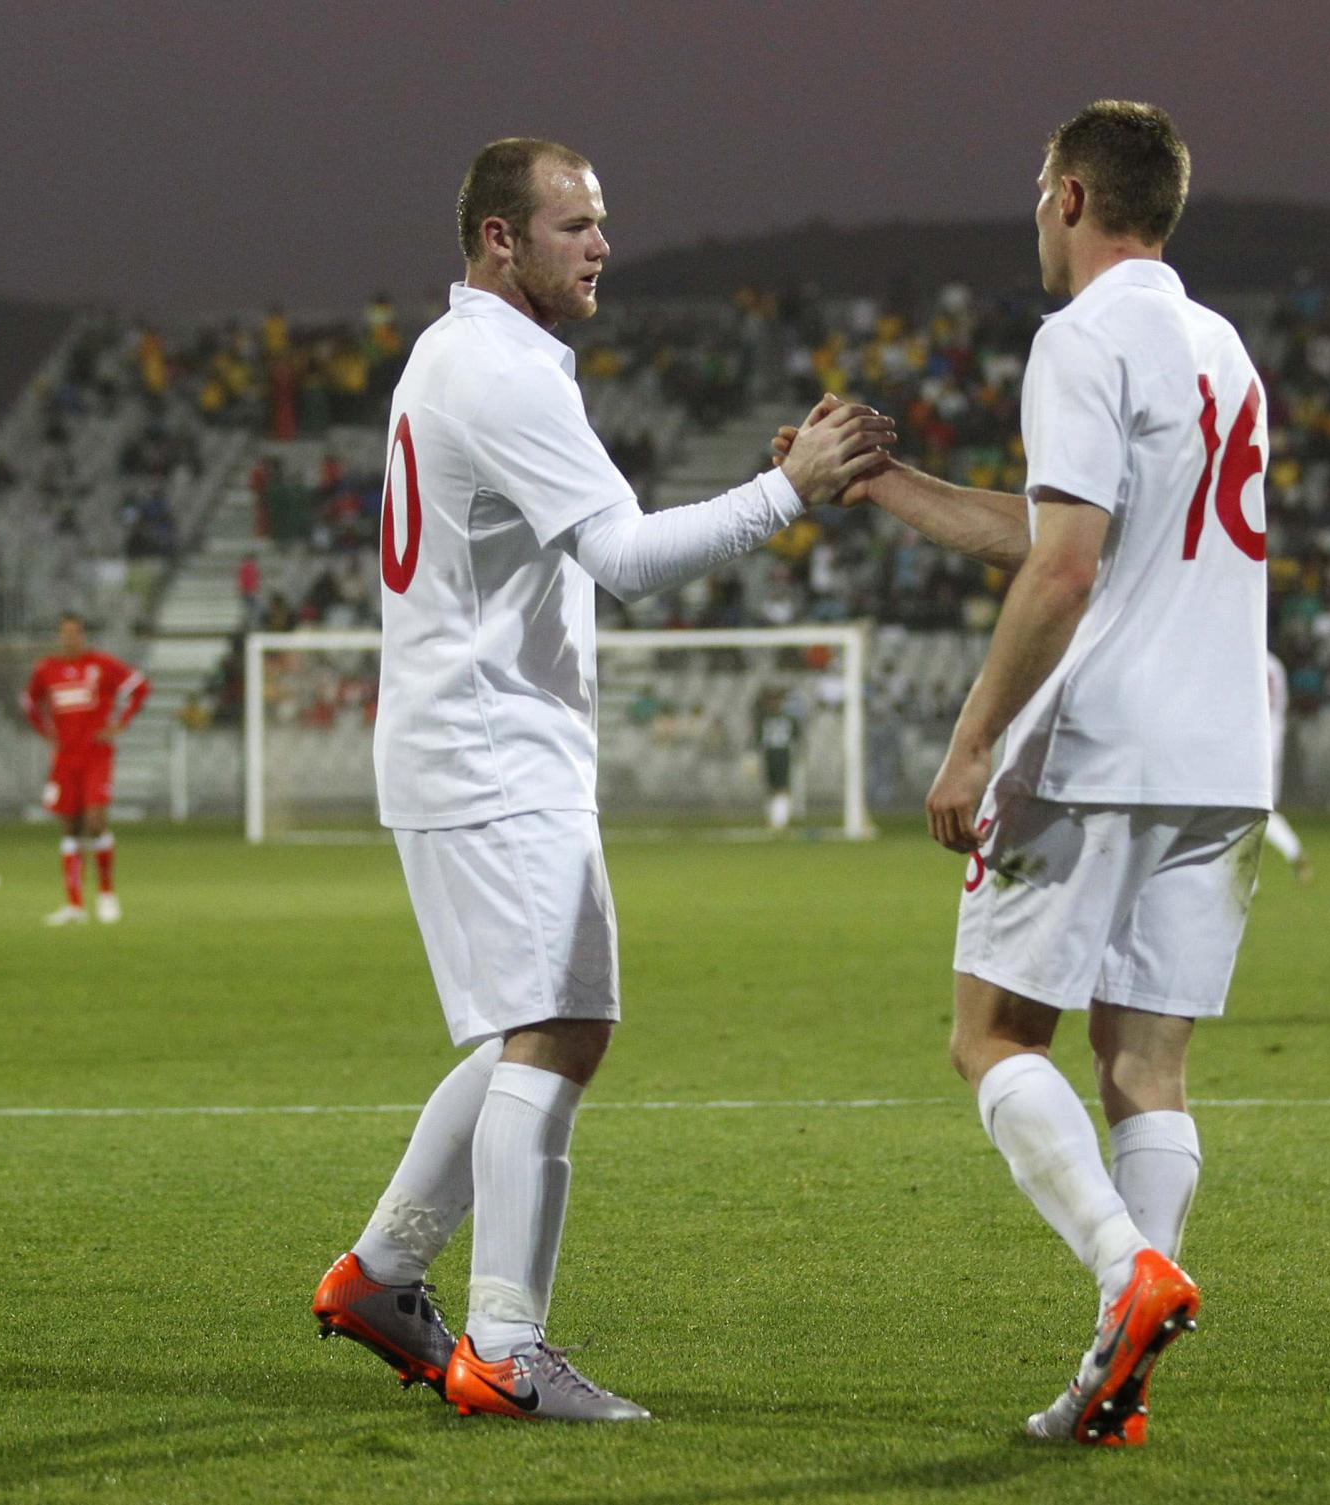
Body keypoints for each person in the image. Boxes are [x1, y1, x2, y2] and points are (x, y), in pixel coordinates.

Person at [309, 136, 893, 1425]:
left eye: (602, 221)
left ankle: (384, 1273)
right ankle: (508, 1346)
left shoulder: (451, 353)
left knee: (536, 1022)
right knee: (563, 1023)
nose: (601, 243)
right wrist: (783, 490)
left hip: (466, 738)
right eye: (573, 222)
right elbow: (625, 559)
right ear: (497, 240)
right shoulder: (505, 371)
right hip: (487, 745)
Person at [778, 100, 1269, 1447]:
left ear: (1066, 196)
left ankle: (1129, 1270)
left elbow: (1064, 569)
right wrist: (890, 487)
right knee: (1146, 1068)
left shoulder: (1081, 336)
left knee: (991, 1036)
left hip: (1103, 739)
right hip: (1225, 756)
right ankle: (1122, 1379)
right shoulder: (1221, 349)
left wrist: (973, 737)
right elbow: (1066, 529)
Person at [22, 614, 149, 925]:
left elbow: (140, 686)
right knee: (70, 827)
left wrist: (121, 723)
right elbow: (28, 702)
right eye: (64, 633)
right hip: (65, 758)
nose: (70, 638)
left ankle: (106, 894)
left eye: (75, 632)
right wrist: (44, 731)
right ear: (58, 636)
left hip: (96, 755)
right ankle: (75, 905)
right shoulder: (46, 670)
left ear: (83, 635)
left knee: (95, 821)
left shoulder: (101, 664)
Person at [1263, 653, 1312, 882]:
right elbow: (1282, 703)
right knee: (1260, 811)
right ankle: (1295, 851)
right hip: (1273, 742)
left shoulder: (1244, 657)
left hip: (1250, 746)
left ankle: (1247, 880)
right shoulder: (1275, 663)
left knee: (1243, 812)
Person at [755, 685, 800, 831]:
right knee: (776, 788)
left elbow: (758, 739)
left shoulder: (764, 719)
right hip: (775, 754)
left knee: (780, 788)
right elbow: (796, 737)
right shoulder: (788, 719)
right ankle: (777, 820)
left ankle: (778, 821)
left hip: (778, 754)